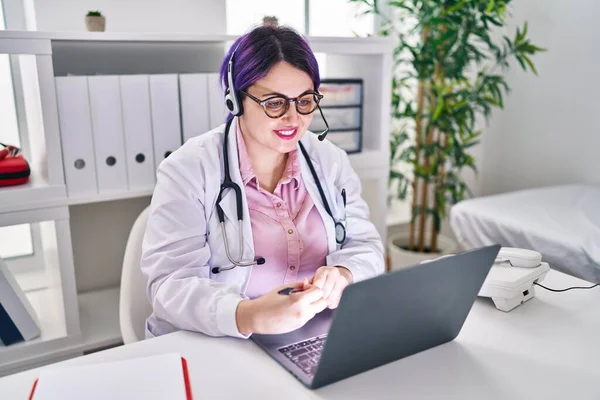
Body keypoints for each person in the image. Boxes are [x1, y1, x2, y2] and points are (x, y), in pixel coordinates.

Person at [140, 24, 385, 339]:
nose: (293, 119)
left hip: (316, 337)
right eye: (274, 103)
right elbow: (169, 287)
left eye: (305, 101)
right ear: (235, 100)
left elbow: (366, 246)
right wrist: (248, 315)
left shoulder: (331, 161)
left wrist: (344, 272)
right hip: (218, 343)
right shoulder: (187, 170)